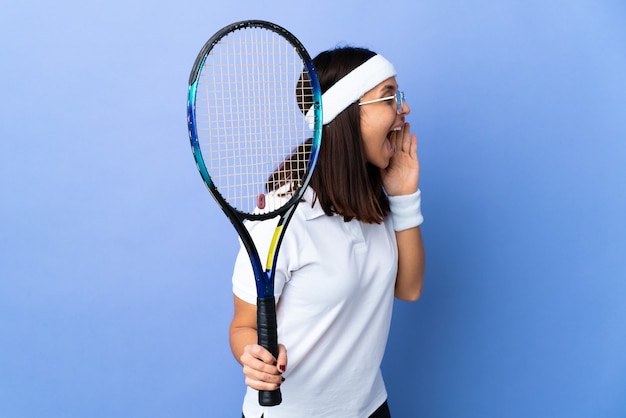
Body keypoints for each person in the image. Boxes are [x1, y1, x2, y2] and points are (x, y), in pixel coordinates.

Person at [229, 46, 426, 418]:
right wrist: (252, 356)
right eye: (388, 97)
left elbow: (409, 288)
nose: (404, 109)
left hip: (370, 407)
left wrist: (404, 197)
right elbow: (243, 325)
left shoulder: (372, 198)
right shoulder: (281, 217)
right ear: (346, 114)